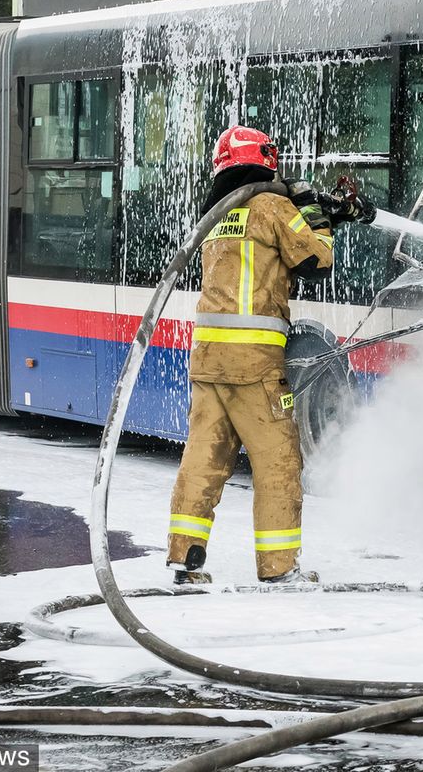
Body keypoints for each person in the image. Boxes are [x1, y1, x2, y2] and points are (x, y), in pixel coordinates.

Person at [165, 125, 367, 586]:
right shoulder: (271, 206)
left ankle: (184, 558)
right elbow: (317, 261)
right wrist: (315, 214)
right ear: (264, 159)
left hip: (208, 361)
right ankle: (279, 568)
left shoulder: (216, 214)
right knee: (278, 461)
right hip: (253, 364)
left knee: (204, 459)